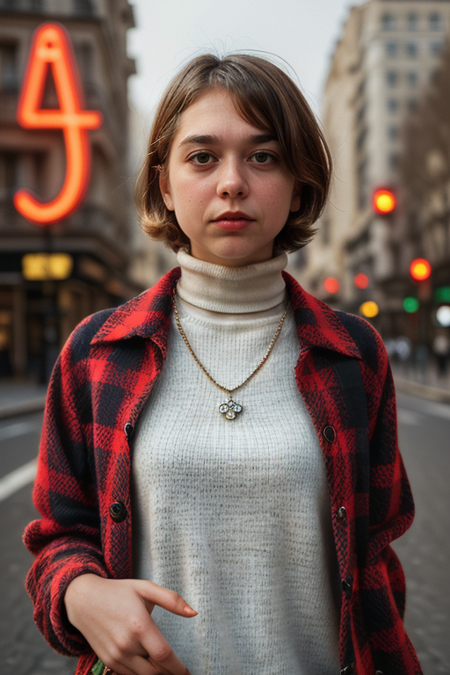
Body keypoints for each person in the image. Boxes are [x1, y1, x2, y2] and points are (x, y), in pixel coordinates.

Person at [24, 53, 422, 675]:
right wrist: (79, 591)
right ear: (164, 182)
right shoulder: (96, 352)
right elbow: (58, 536)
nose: (232, 182)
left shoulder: (355, 353)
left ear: (298, 184)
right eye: (202, 157)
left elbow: (376, 556)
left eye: (262, 156)